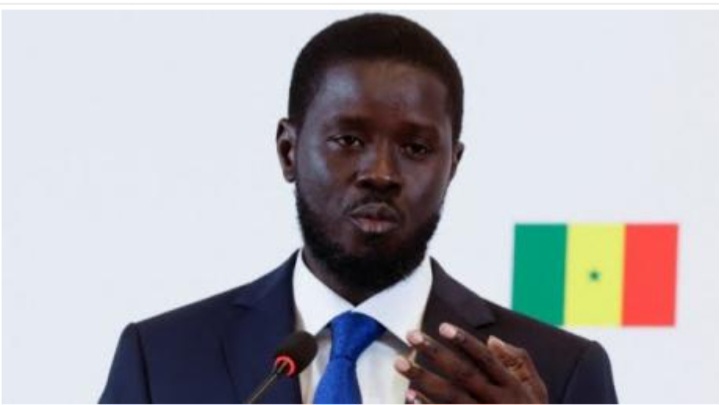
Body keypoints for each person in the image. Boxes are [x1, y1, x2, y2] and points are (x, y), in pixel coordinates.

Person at [100, 13, 618, 404]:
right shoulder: (162, 360)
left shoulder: (561, 372)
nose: (382, 173)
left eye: (415, 147)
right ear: (288, 151)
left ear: (452, 165)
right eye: (348, 140)